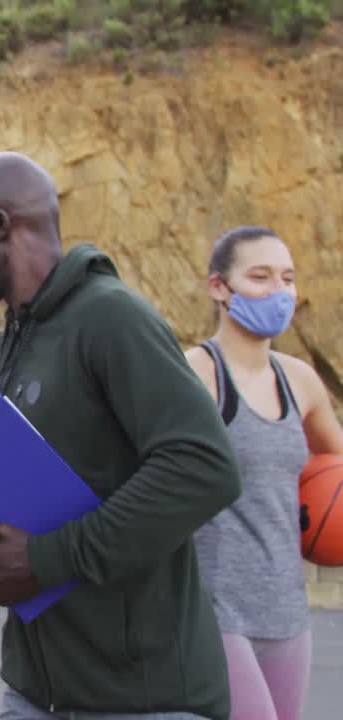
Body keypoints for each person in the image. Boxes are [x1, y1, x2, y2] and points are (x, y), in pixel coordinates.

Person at [0, 151, 242, 719]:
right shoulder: (0, 352)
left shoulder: (112, 319)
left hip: (145, 698)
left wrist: (48, 559)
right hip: (37, 697)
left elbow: (204, 467)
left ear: (3, 227)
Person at [183, 226, 343, 720]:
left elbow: (335, 468)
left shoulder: (301, 381)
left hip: (287, 610)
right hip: (214, 608)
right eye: (260, 276)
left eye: (288, 278)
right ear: (219, 288)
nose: (278, 290)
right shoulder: (194, 374)